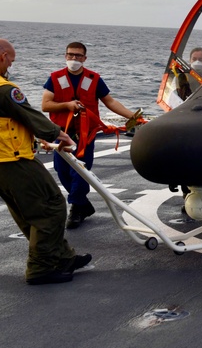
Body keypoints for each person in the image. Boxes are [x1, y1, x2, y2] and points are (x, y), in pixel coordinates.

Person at [0, 39, 90, 285]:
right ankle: (40, 268)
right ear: (3, 56)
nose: (10, 66)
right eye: (11, 61)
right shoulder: (1, 88)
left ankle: (60, 257)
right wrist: (59, 136)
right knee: (50, 207)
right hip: (13, 161)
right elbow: (29, 115)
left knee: (28, 212)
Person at [42, 42, 138, 228]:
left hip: (85, 134)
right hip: (62, 133)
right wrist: (67, 105)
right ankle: (83, 205)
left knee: (80, 171)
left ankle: (76, 208)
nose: (74, 59)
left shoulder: (94, 79)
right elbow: (46, 105)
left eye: (78, 56)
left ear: (85, 58)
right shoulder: (55, 78)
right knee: (62, 172)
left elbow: (110, 101)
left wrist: (133, 117)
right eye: (71, 55)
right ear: (65, 56)